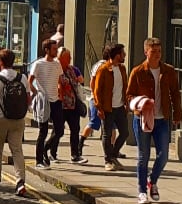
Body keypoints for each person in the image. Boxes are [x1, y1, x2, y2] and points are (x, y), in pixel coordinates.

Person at [127, 37, 182, 204]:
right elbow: (129, 96)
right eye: (154, 51)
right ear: (146, 52)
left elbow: (175, 93)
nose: (157, 54)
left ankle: (152, 180)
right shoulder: (138, 72)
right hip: (142, 119)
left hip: (162, 119)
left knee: (163, 156)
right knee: (143, 156)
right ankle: (142, 191)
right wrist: (140, 105)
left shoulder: (169, 71)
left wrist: (177, 113)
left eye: (159, 51)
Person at [0, 48, 30, 196]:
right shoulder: (22, 78)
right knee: (17, 150)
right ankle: (20, 182)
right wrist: (22, 112)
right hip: (18, 119)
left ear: (1, 62)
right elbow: (28, 99)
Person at [92, 42, 129, 171]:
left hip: (120, 107)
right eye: (123, 53)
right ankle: (108, 160)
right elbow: (96, 90)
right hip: (107, 108)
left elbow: (125, 87)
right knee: (107, 134)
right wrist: (99, 107)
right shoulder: (103, 69)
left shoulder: (122, 69)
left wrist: (127, 103)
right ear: (117, 55)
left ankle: (113, 155)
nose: (124, 55)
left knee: (124, 133)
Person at [46, 47, 87, 163]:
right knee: (58, 131)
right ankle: (52, 153)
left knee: (75, 130)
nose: (70, 59)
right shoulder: (55, 69)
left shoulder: (71, 69)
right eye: (68, 57)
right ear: (60, 58)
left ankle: (75, 155)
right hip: (60, 105)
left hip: (72, 105)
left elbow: (78, 82)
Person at [29, 38, 63, 168]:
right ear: (47, 50)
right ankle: (39, 161)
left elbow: (59, 80)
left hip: (55, 100)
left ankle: (45, 149)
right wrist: (36, 93)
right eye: (54, 49)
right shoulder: (38, 64)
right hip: (44, 100)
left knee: (59, 130)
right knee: (43, 132)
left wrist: (60, 93)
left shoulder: (57, 64)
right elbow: (30, 81)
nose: (56, 51)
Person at [79, 47, 110, 158]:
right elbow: (92, 82)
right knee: (94, 123)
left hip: (108, 100)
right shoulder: (101, 66)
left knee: (112, 126)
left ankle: (113, 150)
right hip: (97, 99)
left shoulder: (110, 66)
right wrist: (95, 95)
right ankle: (80, 143)